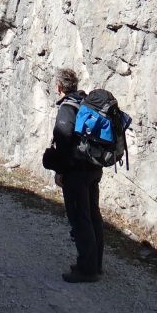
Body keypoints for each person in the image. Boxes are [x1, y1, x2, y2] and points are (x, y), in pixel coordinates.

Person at [53, 67, 104, 283]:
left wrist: (60, 171)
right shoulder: (84, 102)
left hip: (76, 172)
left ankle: (86, 270)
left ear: (59, 87)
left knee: (79, 218)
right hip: (93, 169)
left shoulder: (67, 107)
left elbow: (63, 140)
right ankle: (95, 264)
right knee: (93, 216)